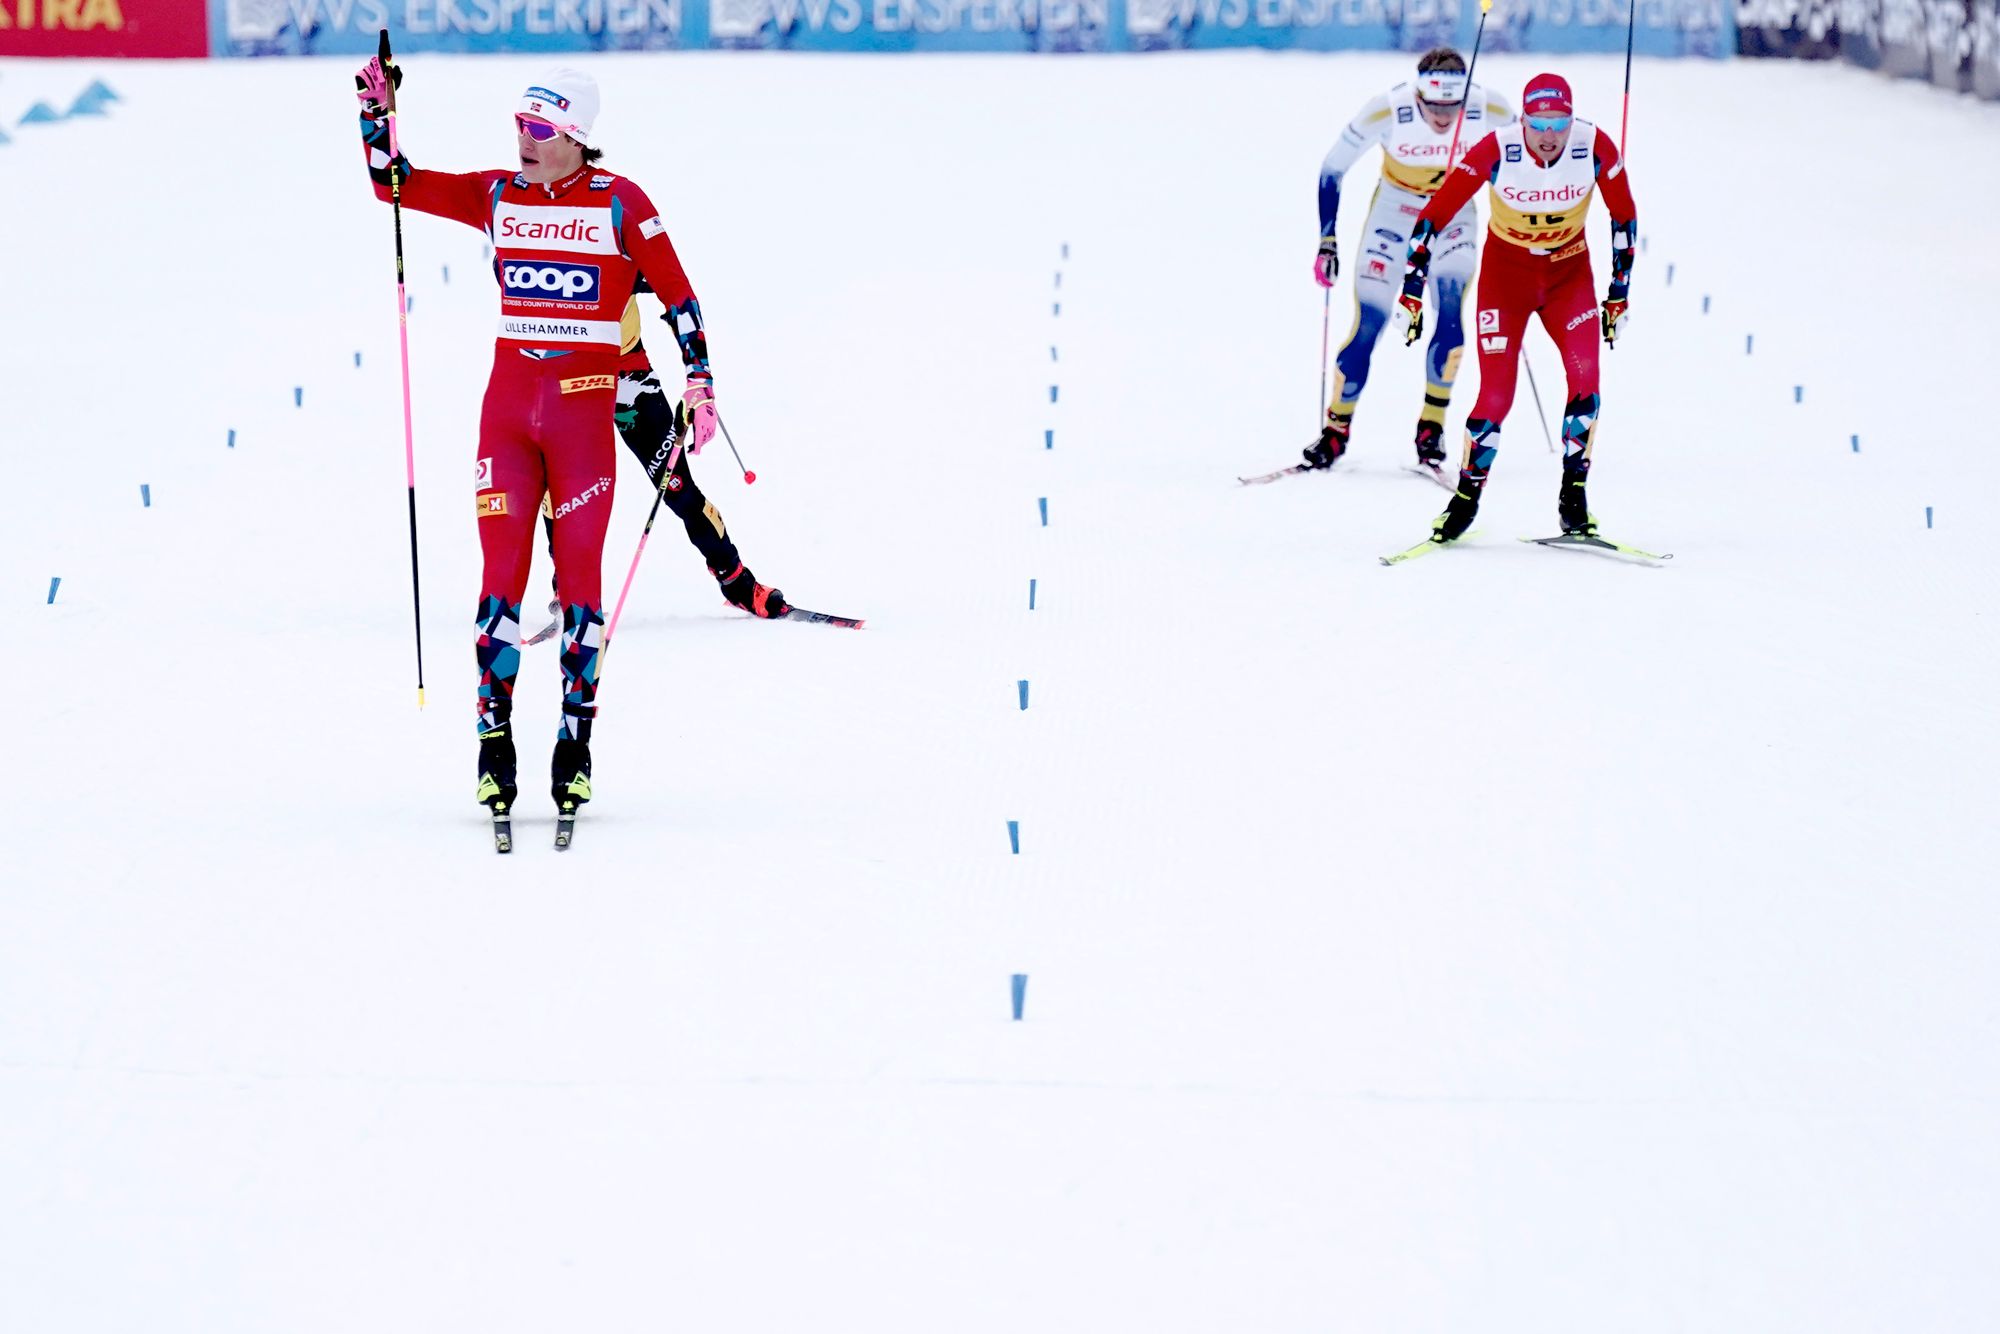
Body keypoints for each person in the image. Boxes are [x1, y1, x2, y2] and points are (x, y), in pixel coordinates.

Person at [354, 58, 719, 833]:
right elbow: (394, 183)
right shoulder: (497, 195)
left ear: (577, 139)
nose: (524, 138)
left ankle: (574, 746)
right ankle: (493, 750)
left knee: (581, 589)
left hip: (585, 428)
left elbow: (681, 298)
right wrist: (375, 113)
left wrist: (700, 385)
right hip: (509, 423)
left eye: (542, 129)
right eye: (520, 124)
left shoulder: (621, 204)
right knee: (500, 584)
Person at [1397, 72, 1637, 540]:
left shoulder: (1594, 146)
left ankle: (1574, 498)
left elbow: (1624, 216)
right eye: (1539, 123)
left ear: (1572, 120)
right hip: (1506, 283)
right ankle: (1465, 502)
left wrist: (1618, 292)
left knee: (1586, 382)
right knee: (1496, 396)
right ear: (1523, 120)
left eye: (1559, 123)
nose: (1549, 136)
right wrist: (1412, 284)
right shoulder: (1497, 148)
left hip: (1569, 279)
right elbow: (1434, 215)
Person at [1307, 48, 1515, 476]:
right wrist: (1328, 240)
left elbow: (1524, 163)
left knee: (1451, 319)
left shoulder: (1488, 106)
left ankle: (1431, 427)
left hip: (1453, 216)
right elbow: (1332, 168)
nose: (1443, 117)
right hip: (1393, 218)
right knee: (1369, 324)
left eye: (1451, 106)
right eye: (1433, 106)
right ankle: (1335, 431)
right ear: (1418, 95)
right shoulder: (1388, 108)